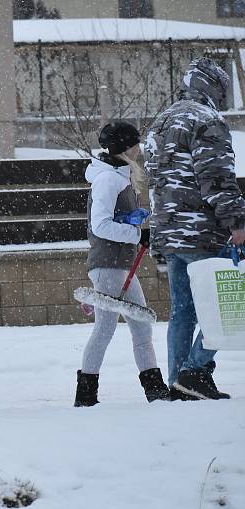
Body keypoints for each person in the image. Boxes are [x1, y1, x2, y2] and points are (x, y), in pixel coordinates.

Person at [144, 57, 245, 401]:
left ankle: (180, 381)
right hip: (203, 231)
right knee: (227, 306)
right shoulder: (207, 121)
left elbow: (154, 181)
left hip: (170, 233)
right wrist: (238, 221)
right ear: (214, 88)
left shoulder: (160, 122)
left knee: (183, 310)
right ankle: (195, 370)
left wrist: (158, 232)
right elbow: (216, 178)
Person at [75, 121, 170, 407]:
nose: (139, 148)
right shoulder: (107, 179)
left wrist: (135, 225)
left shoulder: (119, 176)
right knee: (105, 328)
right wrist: (136, 233)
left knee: (141, 325)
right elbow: (100, 225)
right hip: (107, 265)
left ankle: (155, 390)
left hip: (120, 265)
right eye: (135, 144)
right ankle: (86, 395)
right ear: (123, 148)